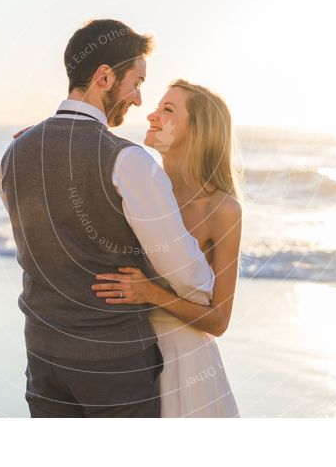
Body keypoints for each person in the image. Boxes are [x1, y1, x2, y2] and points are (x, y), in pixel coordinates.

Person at [0, 19, 214, 417]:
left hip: (43, 357)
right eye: (137, 82)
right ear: (103, 77)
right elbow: (188, 276)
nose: (136, 99)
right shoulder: (127, 160)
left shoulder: (14, 152)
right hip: (114, 369)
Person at [91, 79, 242, 417]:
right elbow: (89, 165)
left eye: (168, 110)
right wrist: (46, 141)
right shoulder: (139, 188)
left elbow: (219, 321)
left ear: (198, 129)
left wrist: (153, 294)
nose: (151, 116)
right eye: (158, 107)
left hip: (187, 365)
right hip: (133, 360)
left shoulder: (222, 209)